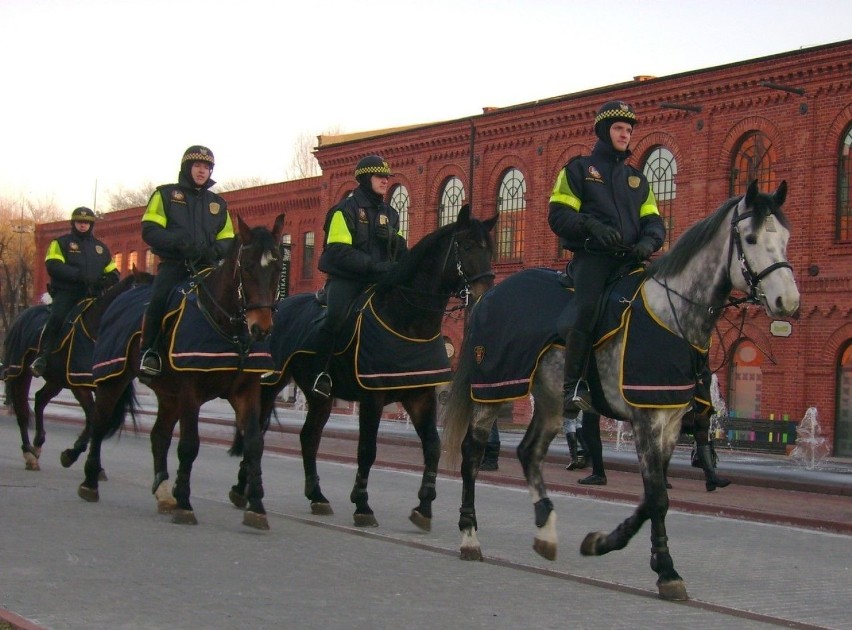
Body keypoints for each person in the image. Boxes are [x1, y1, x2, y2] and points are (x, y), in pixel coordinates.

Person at [548, 100, 665, 418]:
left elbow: (654, 221)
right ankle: (573, 386)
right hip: (593, 259)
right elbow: (559, 215)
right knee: (586, 308)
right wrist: (591, 226)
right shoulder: (578, 170)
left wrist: (648, 241)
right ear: (603, 130)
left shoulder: (637, 180)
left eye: (629, 130)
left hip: (631, 261)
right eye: (618, 128)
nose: (625, 134)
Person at [313, 154, 407, 398]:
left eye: (387, 176)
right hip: (348, 279)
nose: (385, 181)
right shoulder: (344, 210)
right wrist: (373, 266)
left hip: (380, 280)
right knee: (335, 317)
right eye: (380, 176)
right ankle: (321, 373)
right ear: (366, 179)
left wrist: (397, 244)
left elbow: (398, 250)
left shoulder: (391, 213)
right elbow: (337, 251)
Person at [139, 145, 234, 377]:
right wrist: (178, 244)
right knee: (158, 301)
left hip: (207, 267)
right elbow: (150, 229)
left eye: (207, 167)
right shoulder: (165, 195)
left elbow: (228, 238)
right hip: (175, 267)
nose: (202, 171)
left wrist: (214, 252)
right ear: (187, 168)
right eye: (197, 166)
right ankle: (149, 352)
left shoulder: (218, 204)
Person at [29, 207, 119, 377]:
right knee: (57, 317)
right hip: (67, 292)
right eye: (80, 222)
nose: (83, 225)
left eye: (86, 222)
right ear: (73, 223)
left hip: (92, 295)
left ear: (91, 224)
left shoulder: (100, 248)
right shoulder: (60, 242)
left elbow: (113, 271)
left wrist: (107, 280)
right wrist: (79, 276)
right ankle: (42, 356)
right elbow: (53, 265)